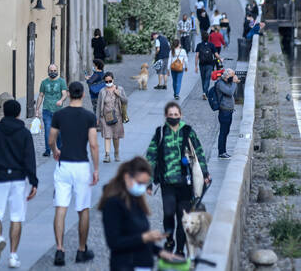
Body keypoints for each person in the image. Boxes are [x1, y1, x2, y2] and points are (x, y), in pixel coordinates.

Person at [0, 100, 38, 268]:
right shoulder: (24, 133)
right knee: (17, 217)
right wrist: (33, 181)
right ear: (19, 113)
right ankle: (13, 255)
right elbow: (30, 159)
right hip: (19, 179)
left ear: (3, 112)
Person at [146, 102, 211, 257]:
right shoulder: (160, 132)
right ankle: (169, 241)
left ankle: (180, 250)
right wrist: (148, 180)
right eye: (171, 115)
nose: (174, 117)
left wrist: (205, 172)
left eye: (176, 115)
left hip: (185, 183)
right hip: (167, 182)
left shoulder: (188, 131)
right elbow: (151, 156)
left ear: (180, 115)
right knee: (168, 213)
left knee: (183, 218)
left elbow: (199, 153)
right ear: (166, 116)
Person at [100, 157, 183, 270]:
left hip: (141, 264)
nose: (142, 188)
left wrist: (160, 252)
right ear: (127, 177)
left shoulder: (135, 199)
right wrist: (145, 237)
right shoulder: (113, 204)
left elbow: (139, 238)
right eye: (140, 183)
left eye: (144, 184)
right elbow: (114, 242)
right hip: (126, 265)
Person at [49, 81, 99, 266]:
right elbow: (93, 144)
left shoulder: (59, 115)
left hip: (64, 165)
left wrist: (55, 150)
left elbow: (51, 139)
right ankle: (81, 249)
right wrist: (96, 169)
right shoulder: (88, 116)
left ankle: (60, 250)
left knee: (60, 208)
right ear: (83, 95)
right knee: (83, 208)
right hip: (81, 165)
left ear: (69, 94)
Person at [36, 64, 68, 157]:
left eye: (54, 70)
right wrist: (37, 109)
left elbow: (64, 93)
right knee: (47, 130)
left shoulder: (61, 81)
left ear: (57, 71)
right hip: (47, 110)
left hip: (59, 111)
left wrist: (61, 100)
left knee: (59, 131)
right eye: (51, 70)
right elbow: (41, 95)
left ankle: (60, 148)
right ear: (48, 71)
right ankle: (47, 150)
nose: (53, 72)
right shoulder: (44, 82)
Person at [95, 72, 127, 163]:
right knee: (107, 136)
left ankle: (116, 153)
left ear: (113, 80)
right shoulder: (102, 91)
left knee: (116, 136)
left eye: (110, 81)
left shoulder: (120, 89)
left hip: (117, 116)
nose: (108, 82)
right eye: (106, 81)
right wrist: (97, 118)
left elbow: (126, 101)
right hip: (105, 117)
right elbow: (98, 105)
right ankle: (107, 155)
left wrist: (119, 94)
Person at [216, 69, 240, 159]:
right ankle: (221, 152)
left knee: (226, 132)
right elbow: (230, 92)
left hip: (229, 111)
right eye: (232, 76)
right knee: (223, 132)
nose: (233, 77)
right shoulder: (220, 84)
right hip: (224, 111)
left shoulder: (226, 82)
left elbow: (233, 92)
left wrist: (233, 82)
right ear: (226, 76)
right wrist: (234, 82)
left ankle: (224, 151)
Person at [194, 32, 221, 100]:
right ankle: (205, 92)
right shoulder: (211, 45)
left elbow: (197, 56)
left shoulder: (199, 45)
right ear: (208, 38)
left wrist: (196, 66)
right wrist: (220, 59)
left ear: (202, 38)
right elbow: (216, 55)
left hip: (201, 64)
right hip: (209, 64)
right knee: (207, 78)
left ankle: (204, 92)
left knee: (203, 79)